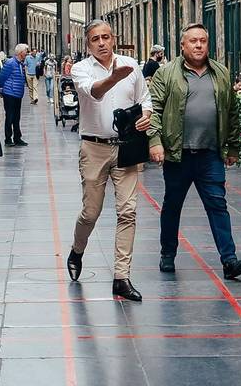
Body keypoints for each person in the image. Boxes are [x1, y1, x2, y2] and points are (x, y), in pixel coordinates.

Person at [147, 23, 241, 280]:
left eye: (203, 40)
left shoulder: (221, 73)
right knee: (172, 205)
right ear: (182, 46)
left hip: (210, 154)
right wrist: (154, 141)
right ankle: (168, 254)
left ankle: (229, 260)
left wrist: (233, 146)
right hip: (177, 154)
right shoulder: (167, 73)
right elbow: (154, 109)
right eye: (193, 41)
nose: (198, 45)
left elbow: (232, 112)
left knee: (218, 204)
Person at [67, 20, 151, 301]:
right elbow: (95, 92)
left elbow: (145, 99)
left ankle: (121, 276)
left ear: (113, 38)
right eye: (95, 39)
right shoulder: (80, 69)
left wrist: (146, 116)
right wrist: (115, 77)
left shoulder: (131, 65)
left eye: (105, 37)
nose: (101, 42)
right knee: (90, 212)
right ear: (87, 44)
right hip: (94, 148)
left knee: (127, 211)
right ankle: (77, 249)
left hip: (127, 147)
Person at [0, 43, 28, 146]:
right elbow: (2, 77)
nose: (26, 53)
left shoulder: (21, 64)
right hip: (10, 93)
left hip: (18, 94)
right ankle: (8, 139)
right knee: (10, 116)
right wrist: (1, 89)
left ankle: (17, 138)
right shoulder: (10, 63)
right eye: (25, 51)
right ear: (20, 52)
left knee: (17, 117)